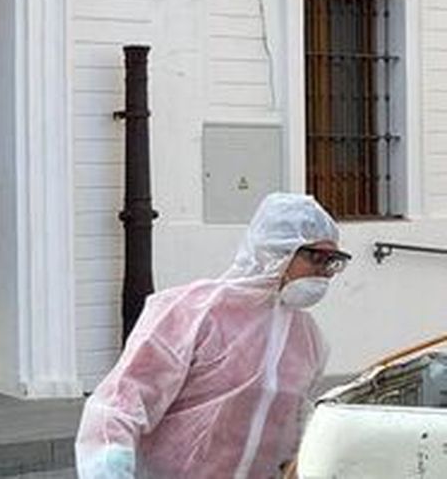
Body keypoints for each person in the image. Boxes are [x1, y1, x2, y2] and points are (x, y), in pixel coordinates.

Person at [77, 193, 351, 479]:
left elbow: (294, 431)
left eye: (333, 262)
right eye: (317, 258)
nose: (324, 273)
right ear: (276, 250)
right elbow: (119, 405)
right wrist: (109, 470)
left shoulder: (308, 340)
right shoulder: (192, 312)